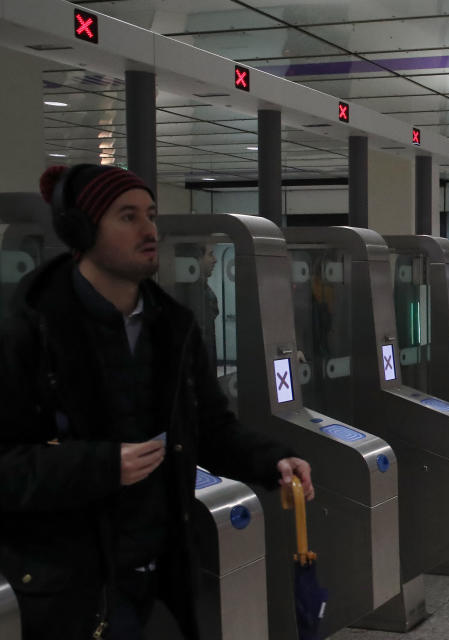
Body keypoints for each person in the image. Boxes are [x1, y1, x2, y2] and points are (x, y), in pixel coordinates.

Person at [0, 164, 315, 640]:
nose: (150, 230)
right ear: (82, 231)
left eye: (151, 214)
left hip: (164, 576)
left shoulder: (174, 327)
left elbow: (208, 427)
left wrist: (273, 460)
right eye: (127, 217)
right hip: (72, 587)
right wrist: (102, 466)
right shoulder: (27, 333)